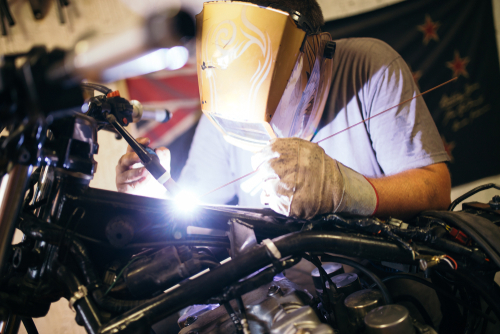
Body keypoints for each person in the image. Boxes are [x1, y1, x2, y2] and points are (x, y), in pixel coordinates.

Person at [116, 0, 451, 221]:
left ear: (313, 49)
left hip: (378, 284)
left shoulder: (371, 67)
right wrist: (153, 192)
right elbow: (190, 210)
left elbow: (435, 190)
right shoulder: (222, 110)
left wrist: (347, 190)